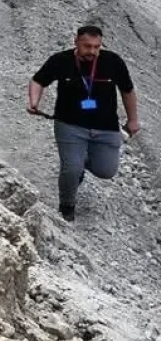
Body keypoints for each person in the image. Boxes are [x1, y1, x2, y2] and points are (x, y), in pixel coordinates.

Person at [29, 25, 141, 222]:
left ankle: (79, 163)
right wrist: (34, 101)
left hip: (106, 127)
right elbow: (38, 81)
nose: (92, 51)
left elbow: (128, 91)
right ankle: (67, 206)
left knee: (106, 171)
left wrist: (132, 119)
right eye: (87, 46)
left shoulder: (113, 62)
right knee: (71, 169)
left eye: (96, 47)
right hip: (70, 125)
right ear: (76, 42)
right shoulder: (61, 60)